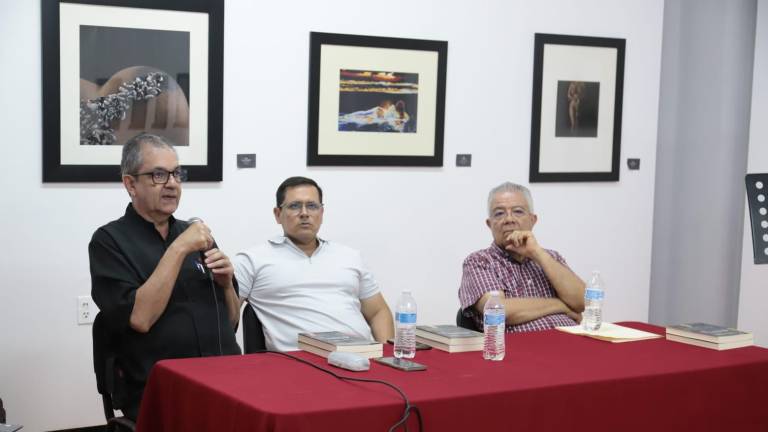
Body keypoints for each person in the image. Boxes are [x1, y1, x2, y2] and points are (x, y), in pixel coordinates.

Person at [89, 133, 240, 420]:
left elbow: (231, 323)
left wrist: (226, 286)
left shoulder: (197, 234)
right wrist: (179, 248)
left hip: (226, 378)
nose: (171, 183)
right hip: (160, 390)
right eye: (159, 175)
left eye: (176, 174)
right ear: (130, 184)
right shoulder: (109, 241)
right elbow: (140, 319)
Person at [234, 176, 394, 351]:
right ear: (278, 214)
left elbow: (378, 312)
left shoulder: (350, 256)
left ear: (321, 213)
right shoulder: (252, 259)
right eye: (294, 206)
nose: (304, 213)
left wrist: (388, 355)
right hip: (300, 364)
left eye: (312, 206)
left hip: (362, 356)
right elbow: (226, 320)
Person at [459, 182, 585, 332]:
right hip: (518, 350)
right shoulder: (479, 261)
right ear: (489, 224)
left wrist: (537, 253)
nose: (509, 219)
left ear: (533, 220)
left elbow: (582, 302)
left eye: (518, 211)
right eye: (499, 213)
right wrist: (562, 305)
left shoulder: (551, 257)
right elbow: (499, 311)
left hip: (571, 342)